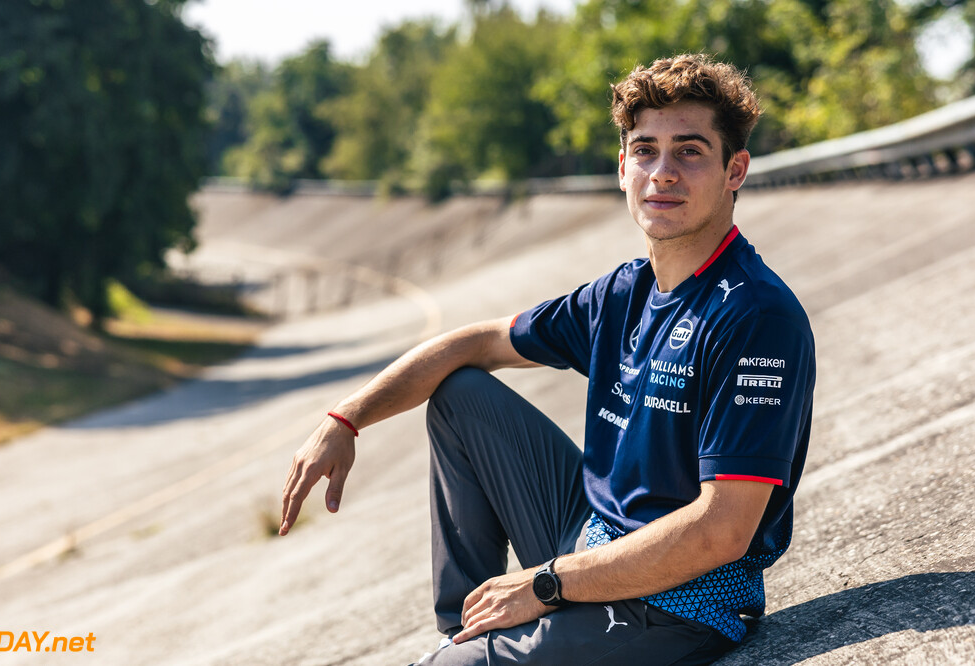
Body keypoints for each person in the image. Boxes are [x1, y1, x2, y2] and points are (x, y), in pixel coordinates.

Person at [279, 53, 816, 665]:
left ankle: (472, 649)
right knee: (460, 395)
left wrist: (544, 584)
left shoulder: (755, 317)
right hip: (591, 539)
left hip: (679, 602)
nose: (663, 173)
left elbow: (722, 531)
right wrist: (344, 420)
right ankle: (467, 630)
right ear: (622, 167)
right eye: (645, 150)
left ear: (734, 170)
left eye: (690, 151)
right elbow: (476, 343)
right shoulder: (626, 292)